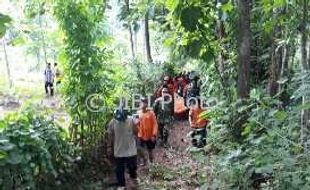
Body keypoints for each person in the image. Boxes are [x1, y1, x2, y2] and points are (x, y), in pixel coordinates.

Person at [107, 107, 139, 189]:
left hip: (130, 149)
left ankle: (134, 179)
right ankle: (121, 185)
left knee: (132, 167)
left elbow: (136, 132)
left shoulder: (131, 120)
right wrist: (109, 147)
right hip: (119, 149)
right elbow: (110, 135)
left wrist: (136, 125)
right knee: (119, 170)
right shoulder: (113, 122)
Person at [138, 97, 158, 164]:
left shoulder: (151, 113)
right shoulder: (139, 112)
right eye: (141, 102)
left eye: (144, 102)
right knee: (139, 148)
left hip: (150, 135)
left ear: (146, 104)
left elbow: (155, 124)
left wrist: (154, 135)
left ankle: (152, 163)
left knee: (150, 151)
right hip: (141, 135)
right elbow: (138, 123)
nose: (142, 104)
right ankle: (144, 160)